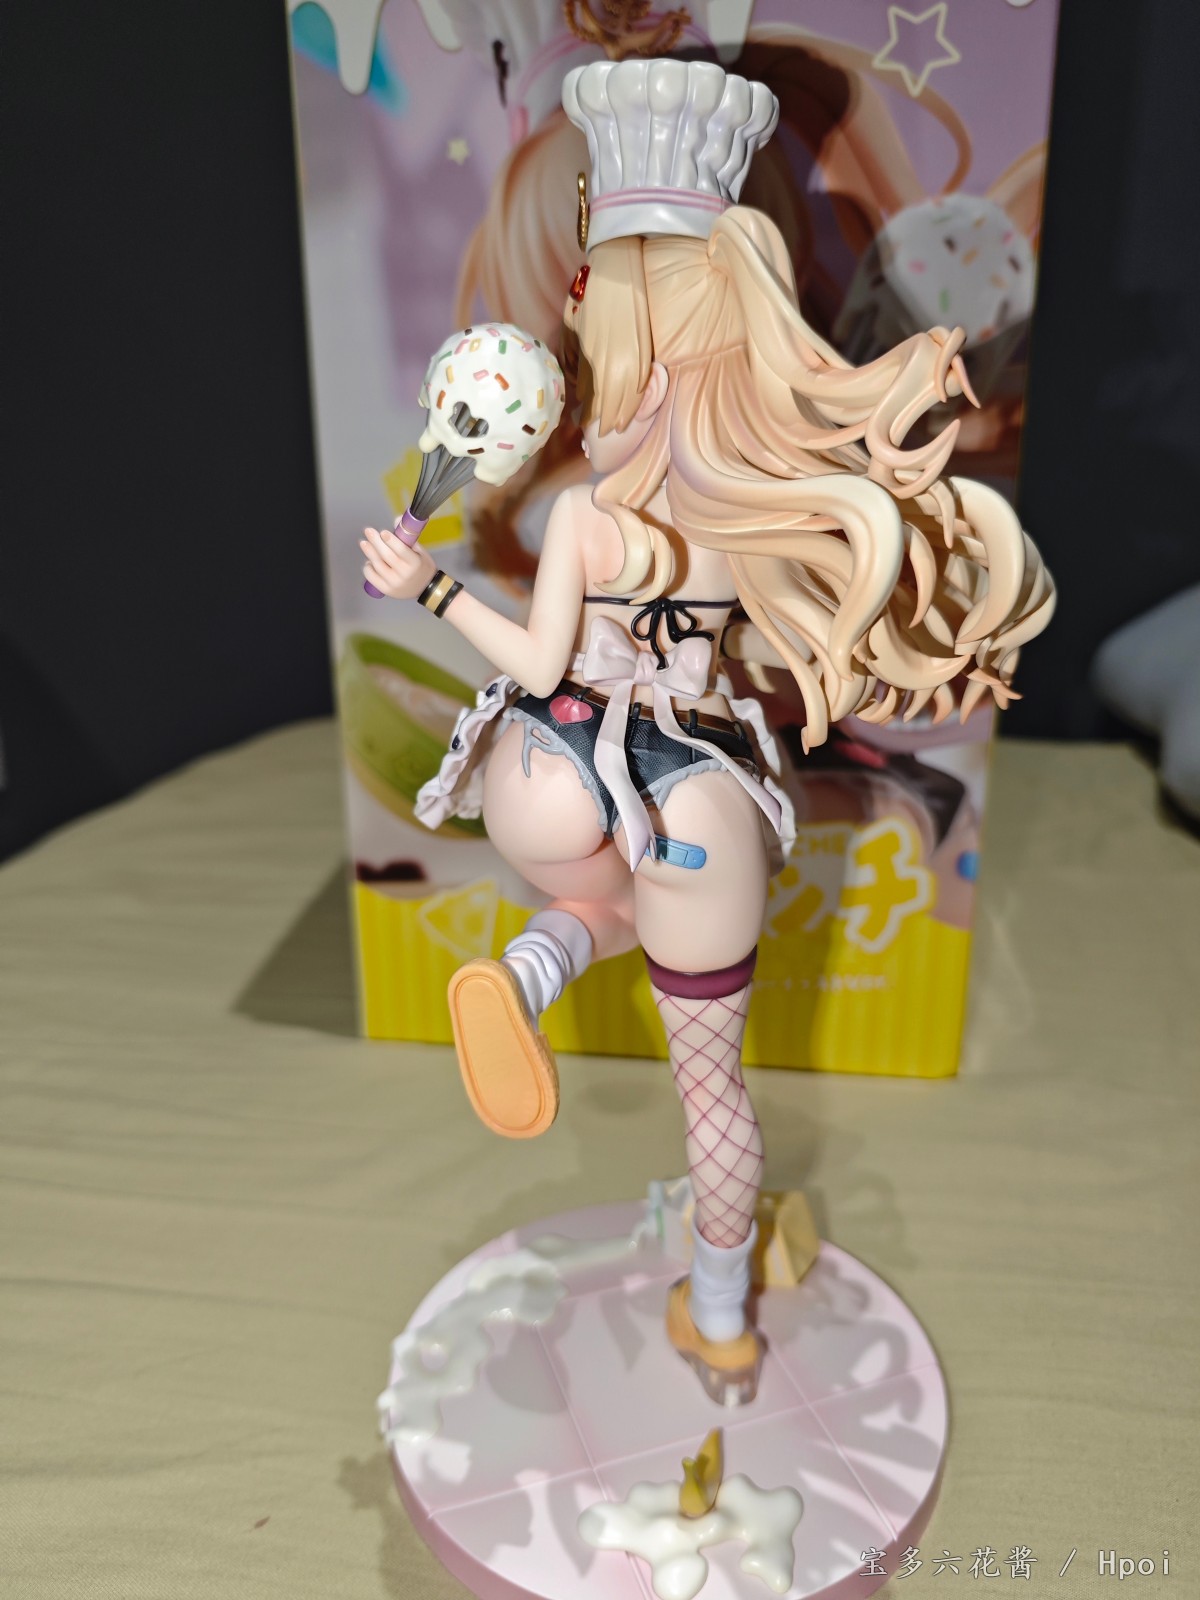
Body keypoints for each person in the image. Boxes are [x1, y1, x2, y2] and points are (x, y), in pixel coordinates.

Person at [360, 57, 1054, 1407]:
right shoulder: (759, 511)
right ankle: (724, 1317)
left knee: (593, 892)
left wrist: (428, 588)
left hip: (555, 774)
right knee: (713, 1088)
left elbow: (540, 662)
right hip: (698, 798)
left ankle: (532, 971)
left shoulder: (586, 517)